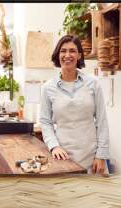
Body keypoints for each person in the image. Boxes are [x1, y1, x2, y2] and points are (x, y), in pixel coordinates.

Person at [40, 35, 109, 175]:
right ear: (57, 55)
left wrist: (101, 155)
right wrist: (54, 147)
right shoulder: (48, 87)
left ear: (79, 55)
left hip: (92, 157)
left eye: (72, 51)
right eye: (63, 51)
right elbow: (45, 122)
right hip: (62, 157)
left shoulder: (93, 83)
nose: (67, 55)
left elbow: (102, 121)